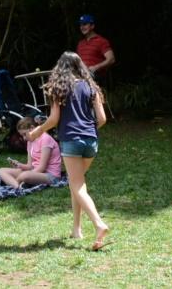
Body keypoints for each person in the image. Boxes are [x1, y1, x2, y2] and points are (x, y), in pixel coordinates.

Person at [27, 51, 110, 250]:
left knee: (77, 185)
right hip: (91, 141)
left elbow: (54, 119)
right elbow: (102, 119)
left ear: (61, 67)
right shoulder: (91, 87)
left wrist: (37, 131)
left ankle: (99, 224)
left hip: (71, 140)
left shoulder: (59, 87)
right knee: (77, 184)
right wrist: (87, 131)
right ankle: (76, 229)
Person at [0, 115, 61, 189]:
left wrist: (26, 173)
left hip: (50, 175)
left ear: (32, 128)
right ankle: (17, 186)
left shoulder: (45, 139)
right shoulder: (30, 142)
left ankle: (13, 182)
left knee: (25, 175)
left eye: (24, 134)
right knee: (1, 171)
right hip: (34, 171)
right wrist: (19, 165)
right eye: (22, 135)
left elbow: (42, 167)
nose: (24, 138)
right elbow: (30, 166)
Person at [76, 14, 115, 79]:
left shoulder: (101, 41)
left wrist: (95, 67)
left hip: (96, 78)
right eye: (80, 25)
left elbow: (111, 59)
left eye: (85, 24)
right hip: (81, 78)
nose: (82, 27)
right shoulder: (80, 43)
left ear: (92, 26)